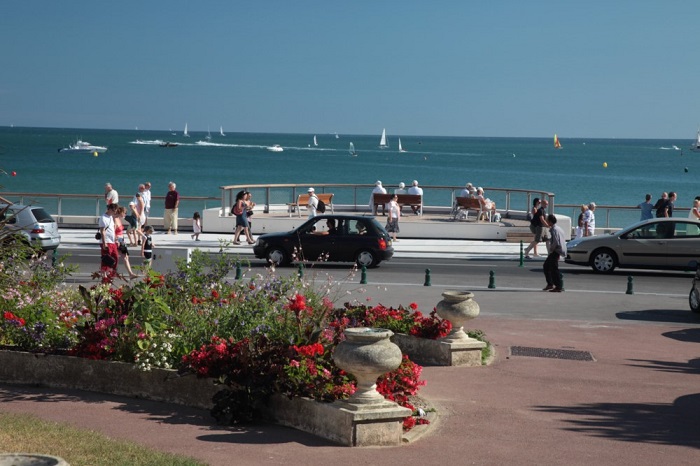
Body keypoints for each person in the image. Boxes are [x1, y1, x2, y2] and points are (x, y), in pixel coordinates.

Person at [543, 214, 567, 293]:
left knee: (554, 268)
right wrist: (549, 239)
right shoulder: (558, 228)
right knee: (547, 266)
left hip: (556, 250)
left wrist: (551, 249)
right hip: (559, 250)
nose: (546, 221)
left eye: (547, 220)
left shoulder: (554, 230)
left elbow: (556, 241)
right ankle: (550, 284)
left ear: (550, 222)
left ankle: (558, 286)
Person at [114, 206, 138, 279]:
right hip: (118, 240)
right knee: (116, 257)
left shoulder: (119, 219)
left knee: (125, 256)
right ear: (120, 212)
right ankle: (112, 273)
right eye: (124, 213)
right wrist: (116, 239)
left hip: (121, 240)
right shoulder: (114, 219)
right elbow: (113, 231)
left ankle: (130, 273)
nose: (125, 214)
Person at [98, 203, 119, 283]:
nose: (114, 212)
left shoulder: (111, 217)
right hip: (106, 242)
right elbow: (102, 231)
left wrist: (115, 238)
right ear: (109, 209)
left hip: (112, 241)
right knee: (106, 259)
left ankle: (111, 273)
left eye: (115, 211)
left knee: (115, 257)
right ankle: (104, 276)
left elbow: (112, 229)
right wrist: (104, 243)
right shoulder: (103, 218)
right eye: (114, 211)